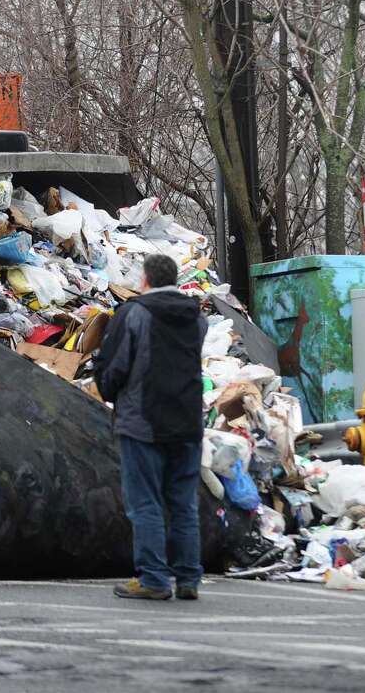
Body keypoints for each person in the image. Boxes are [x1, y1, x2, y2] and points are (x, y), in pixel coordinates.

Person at [94, 253, 207, 601]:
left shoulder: (134, 314)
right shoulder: (196, 317)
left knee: (145, 503)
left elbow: (113, 367)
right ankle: (188, 578)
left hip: (143, 422)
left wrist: (110, 392)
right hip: (187, 422)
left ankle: (154, 578)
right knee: (184, 504)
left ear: (145, 280)